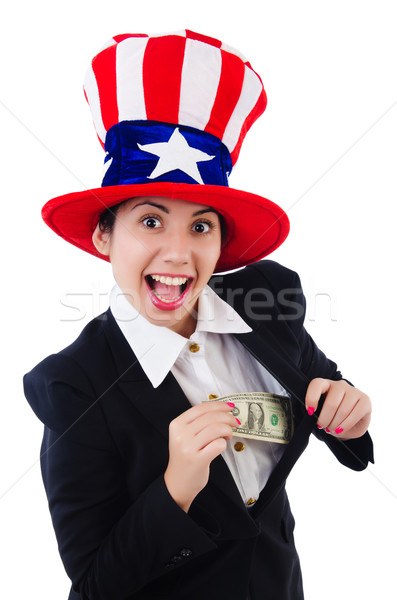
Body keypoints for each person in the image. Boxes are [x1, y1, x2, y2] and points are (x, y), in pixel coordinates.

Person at [23, 30, 373, 600]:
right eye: (151, 221)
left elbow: (319, 380)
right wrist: (175, 489)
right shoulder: (73, 384)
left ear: (222, 241)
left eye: (201, 226)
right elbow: (93, 587)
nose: (179, 254)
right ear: (104, 235)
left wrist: (346, 411)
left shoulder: (270, 301)